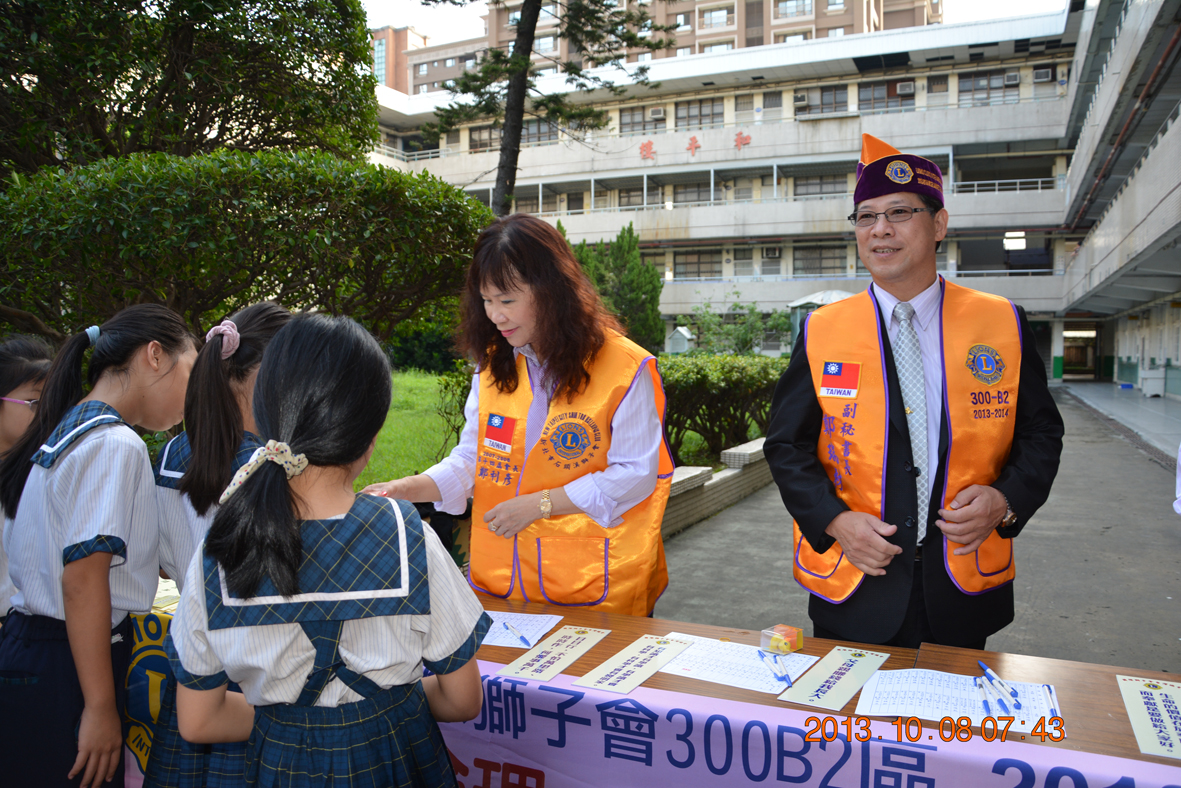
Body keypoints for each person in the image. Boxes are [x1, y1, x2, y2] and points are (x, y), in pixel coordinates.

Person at [765, 134, 1064, 649]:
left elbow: (1041, 433)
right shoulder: (823, 330)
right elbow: (786, 445)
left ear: (939, 224)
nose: (880, 229)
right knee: (849, 703)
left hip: (962, 577)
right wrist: (833, 521)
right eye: (866, 216)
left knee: (954, 703)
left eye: (899, 212)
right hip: (857, 576)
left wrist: (1005, 500)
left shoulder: (1000, 322)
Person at [167, 314, 489, 787]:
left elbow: (199, 721)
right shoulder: (407, 536)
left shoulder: (222, 547)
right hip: (400, 761)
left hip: (279, 767)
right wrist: (389, 708)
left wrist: (296, 726)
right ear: (371, 434)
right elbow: (463, 700)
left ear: (267, 412)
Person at [363, 214, 674, 616]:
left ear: (552, 292)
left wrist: (539, 504)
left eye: (507, 300)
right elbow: (473, 460)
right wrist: (406, 489)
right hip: (503, 584)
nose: (495, 315)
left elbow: (635, 475)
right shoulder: (494, 365)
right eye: (486, 300)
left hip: (595, 585)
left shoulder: (625, 368)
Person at [0, 305, 197, 788]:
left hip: (41, 648)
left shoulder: (70, 428)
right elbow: (83, 580)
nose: (195, 395)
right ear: (155, 355)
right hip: (69, 661)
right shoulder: (114, 443)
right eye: (192, 372)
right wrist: (100, 708)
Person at [143, 302, 290, 788]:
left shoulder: (171, 454)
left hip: (196, 677)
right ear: (268, 376)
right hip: (261, 681)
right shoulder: (274, 468)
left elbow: (165, 565)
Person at [0, 335, 54, 625]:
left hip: (27, 629)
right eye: (34, 402)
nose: (46, 413)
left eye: (51, 402)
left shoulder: (43, 473)